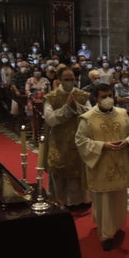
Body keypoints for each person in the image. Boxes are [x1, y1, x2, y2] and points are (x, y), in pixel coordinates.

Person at [75, 83, 129, 250]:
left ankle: (115, 227)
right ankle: (105, 235)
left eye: (110, 95)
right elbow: (81, 141)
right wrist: (103, 146)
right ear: (96, 98)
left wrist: (127, 142)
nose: (108, 99)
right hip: (101, 165)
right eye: (104, 96)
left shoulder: (122, 114)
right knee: (103, 201)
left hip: (120, 163)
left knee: (118, 198)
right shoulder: (87, 118)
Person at [43, 68, 92, 211]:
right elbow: (50, 119)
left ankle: (82, 200)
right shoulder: (51, 97)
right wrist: (66, 109)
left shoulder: (82, 95)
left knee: (78, 170)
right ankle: (61, 199)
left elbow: (90, 113)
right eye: (67, 79)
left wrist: (75, 106)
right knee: (60, 168)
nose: (70, 82)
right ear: (59, 79)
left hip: (79, 139)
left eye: (72, 79)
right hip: (60, 140)